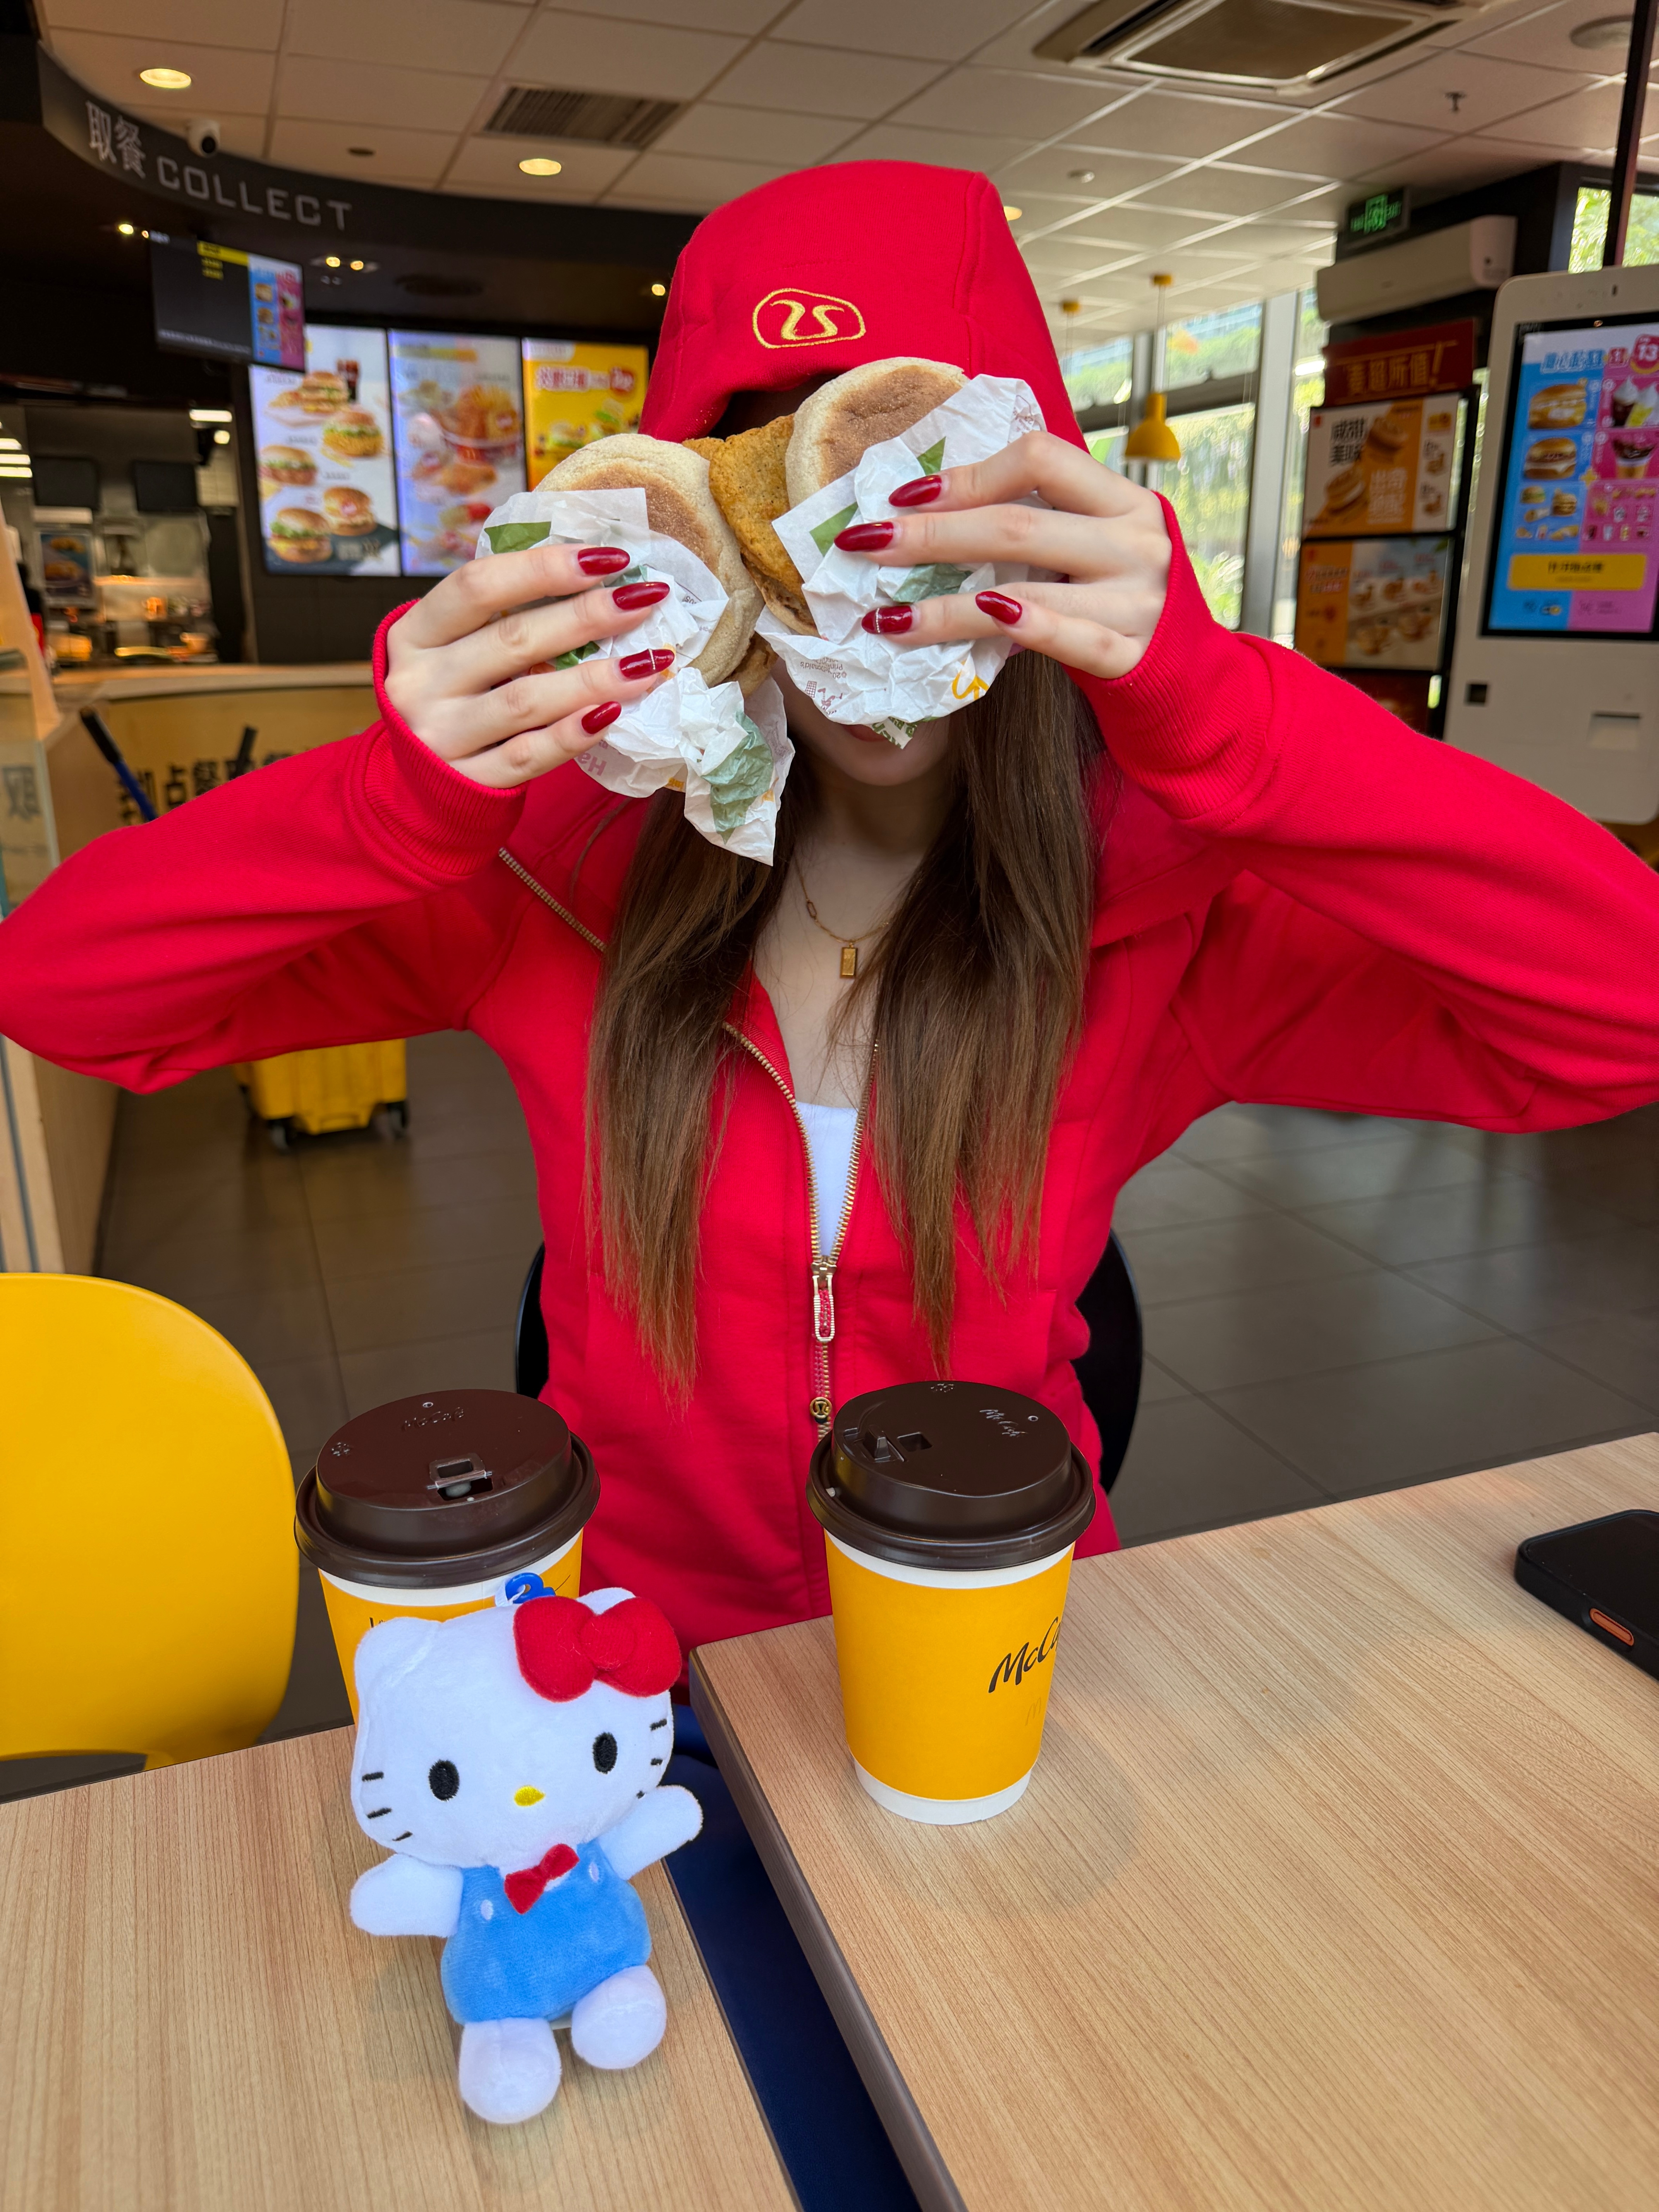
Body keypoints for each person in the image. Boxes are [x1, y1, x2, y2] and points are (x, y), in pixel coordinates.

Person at [5, 162, 1659, 1659]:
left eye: (922, 504)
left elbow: (1622, 1013)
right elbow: (68, 992)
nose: (850, 581)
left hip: (993, 1631)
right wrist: (396, 799)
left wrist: (1225, 719)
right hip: (636, 1665)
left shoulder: (1166, 915)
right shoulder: (544, 885)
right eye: (788, 518)